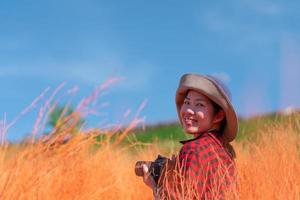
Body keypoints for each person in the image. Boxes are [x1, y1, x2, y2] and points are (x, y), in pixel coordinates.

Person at [142, 73, 239, 199]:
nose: (188, 110)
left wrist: (155, 186)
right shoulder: (225, 152)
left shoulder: (194, 149)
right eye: (187, 102)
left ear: (218, 116)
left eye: (199, 105)